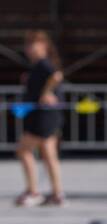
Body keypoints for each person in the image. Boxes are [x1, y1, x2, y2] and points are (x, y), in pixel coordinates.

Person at [15, 29, 64, 207]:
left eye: (32, 44)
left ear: (43, 46)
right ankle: (57, 193)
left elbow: (56, 76)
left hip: (43, 116)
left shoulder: (44, 63)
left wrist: (46, 93)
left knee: (23, 149)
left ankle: (33, 191)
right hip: (45, 115)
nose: (28, 49)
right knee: (49, 154)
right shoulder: (36, 66)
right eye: (27, 45)